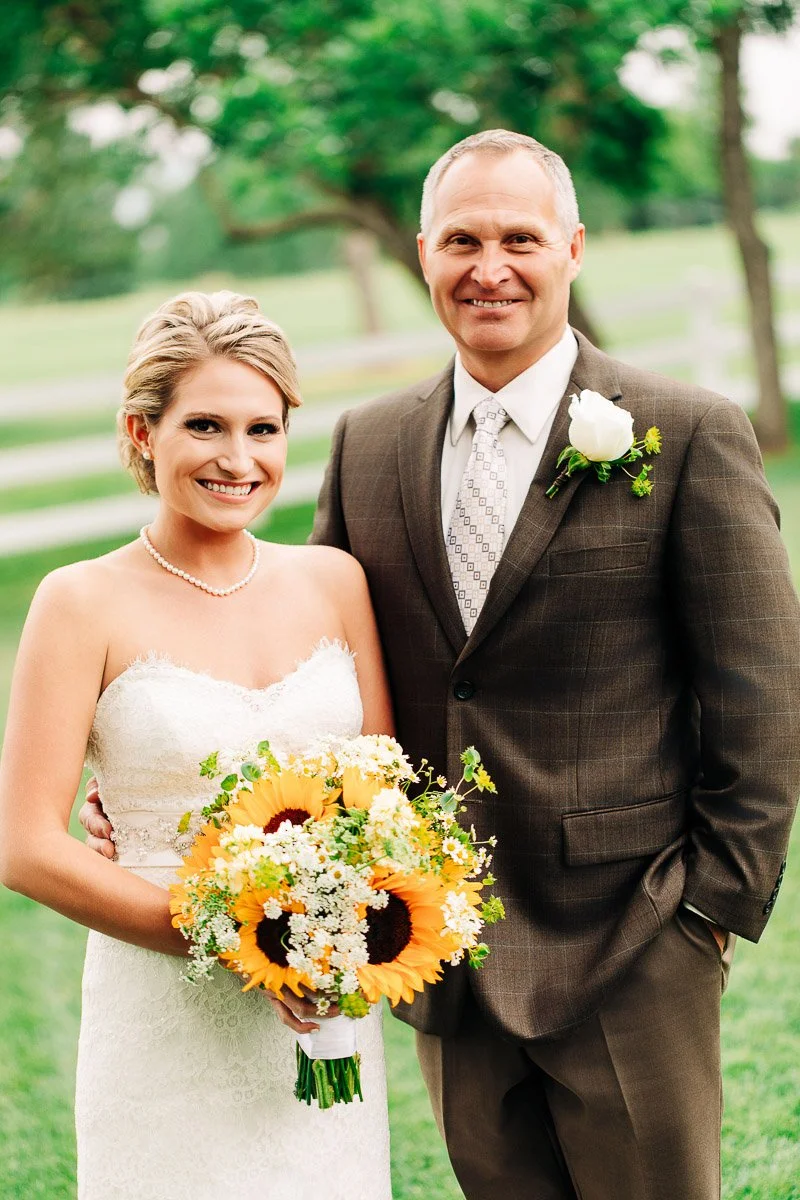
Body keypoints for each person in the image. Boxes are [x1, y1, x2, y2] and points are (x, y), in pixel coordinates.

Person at [80, 130, 800, 1199]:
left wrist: (705, 911)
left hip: (631, 939)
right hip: (434, 950)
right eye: (461, 238)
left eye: (519, 237)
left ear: (573, 248)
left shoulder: (683, 432)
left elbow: (761, 694)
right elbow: (311, 672)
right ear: (422, 254)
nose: (488, 266)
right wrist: (163, 788)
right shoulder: (368, 444)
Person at [0, 290, 395, 1200]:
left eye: (264, 428)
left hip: (322, 1009)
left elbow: (384, 796)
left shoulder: (335, 582)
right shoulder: (78, 602)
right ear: (142, 433)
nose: (238, 459)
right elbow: (27, 848)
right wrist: (247, 939)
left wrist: (337, 941)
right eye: (206, 425)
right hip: (162, 1019)